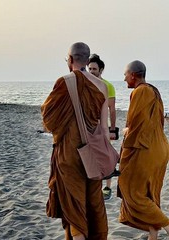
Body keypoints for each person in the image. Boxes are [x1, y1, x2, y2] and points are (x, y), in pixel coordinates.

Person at [41, 42, 109, 240]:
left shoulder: (64, 81)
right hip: (92, 154)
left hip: (69, 153)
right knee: (91, 204)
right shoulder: (102, 86)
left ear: (70, 60)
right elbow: (103, 128)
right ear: (88, 61)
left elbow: (49, 120)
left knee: (74, 207)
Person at [118, 60, 169, 240]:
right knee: (150, 193)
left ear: (133, 75)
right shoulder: (154, 90)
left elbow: (136, 126)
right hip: (160, 148)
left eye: (125, 74)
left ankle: (168, 226)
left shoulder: (140, 92)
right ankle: (153, 236)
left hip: (146, 149)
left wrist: (126, 132)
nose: (124, 78)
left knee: (132, 191)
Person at [88, 54, 118, 201]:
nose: (92, 71)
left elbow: (112, 110)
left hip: (103, 127)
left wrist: (112, 129)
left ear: (101, 70)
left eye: (94, 69)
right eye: (90, 68)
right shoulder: (86, 84)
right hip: (90, 127)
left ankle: (107, 187)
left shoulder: (108, 86)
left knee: (107, 156)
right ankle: (94, 186)